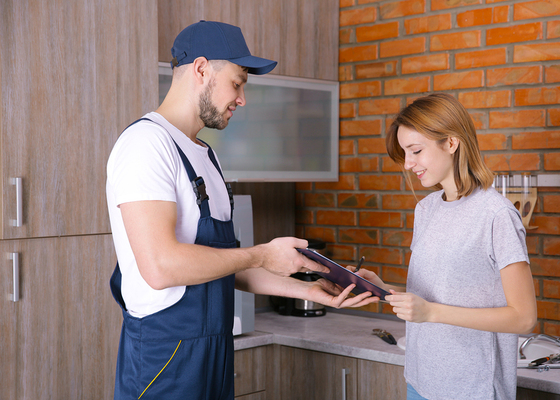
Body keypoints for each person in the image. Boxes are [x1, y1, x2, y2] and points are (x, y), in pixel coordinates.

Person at [106, 20, 378, 400]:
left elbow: (225, 266)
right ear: (201, 69)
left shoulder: (207, 157)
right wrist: (264, 254)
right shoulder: (146, 145)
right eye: (237, 82)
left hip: (213, 353)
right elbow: (161, 266)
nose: (242, 98)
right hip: (164, 357)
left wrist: (313, 291)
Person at [356, 93, 537, 400]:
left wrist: (431, 313)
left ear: (451, 143)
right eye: (404, 153)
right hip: (420, 380)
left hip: (471, 389)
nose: (408, 164)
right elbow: (440, 293)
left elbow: (523, 317)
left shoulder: (496, 215)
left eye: (415, 150)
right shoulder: (426, 210)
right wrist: (385, 290)